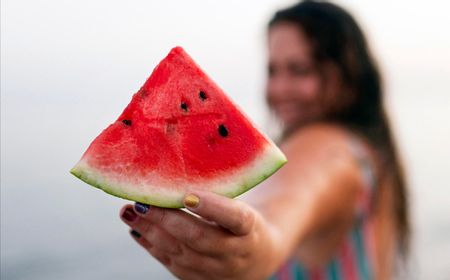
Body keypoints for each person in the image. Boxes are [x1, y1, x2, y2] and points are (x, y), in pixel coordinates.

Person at [119, 1, 409, 279]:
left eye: (300, 70)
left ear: (348, 75)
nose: (279, 88)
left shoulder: (330, 148)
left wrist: (257, 245)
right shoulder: (368, 150)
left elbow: (285, 210)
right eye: (273, 70)